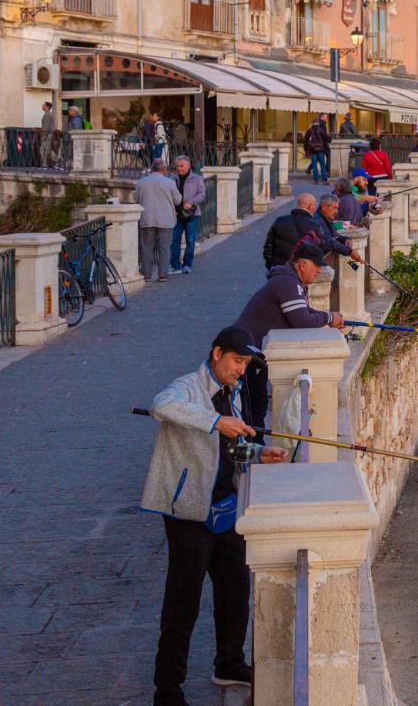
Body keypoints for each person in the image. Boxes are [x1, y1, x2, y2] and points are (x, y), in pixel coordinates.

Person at [142, 326, 287, 705]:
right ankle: (167, 689)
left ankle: (229, 663)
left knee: (235, 591)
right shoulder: (187, 386)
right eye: (237, 361)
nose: (241, 370)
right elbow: (162, 405)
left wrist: (259, 454)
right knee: (183, 602)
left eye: (246, 364)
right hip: (189, 513)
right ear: (217, 353)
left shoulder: (234, 394)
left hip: (226, 507)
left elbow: (232, 452)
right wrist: (214, 421)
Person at [232, 240, 345, 429]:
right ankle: (253, 448)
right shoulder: (287, 283)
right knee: (254, 407)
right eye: (317, 267)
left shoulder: (291, 281)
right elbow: (301, 320)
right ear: (303, 265)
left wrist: (330, 317)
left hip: (254, 351)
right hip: (247, 354)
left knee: (257, 404)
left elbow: (306, 312)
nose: (318, 272)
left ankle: (255, 445)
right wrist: (328, 318)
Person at [262, 193, 358, 273]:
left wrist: (271, 266)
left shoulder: (279, 220)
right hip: (299, 271)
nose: (337, 211)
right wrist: (349, 251)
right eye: (334, 208)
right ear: (312, 207)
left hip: (278, 270)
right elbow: (327, 242)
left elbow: (268, 248)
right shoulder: (314, 224)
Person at [136, 158, 181, 283]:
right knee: (164, 248)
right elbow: (178, 200)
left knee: (146, 248)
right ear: (164, 169)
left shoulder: (141, 182)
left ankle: (147, 275)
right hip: (165, 220)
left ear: (152, 168)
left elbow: (136, 199)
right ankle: (163, 274)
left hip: (147, 218)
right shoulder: (169, 182)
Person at [169, 156, 206, 275]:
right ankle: (175, 265)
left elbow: (202, 194)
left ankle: (187, 265)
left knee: (190, 240)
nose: (179, 168)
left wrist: (191, 202)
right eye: (177, 166)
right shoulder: (172, 178)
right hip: (176, 214)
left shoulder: (197, 178)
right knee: (174, 241)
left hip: (191, 214)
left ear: (188, 165)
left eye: (182, 166)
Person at [303, 117, 331, 183]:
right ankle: (324, 179)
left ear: (312, 123)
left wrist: (306, 150)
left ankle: (316, 180)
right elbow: (328, 139)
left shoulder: (309, 131)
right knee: (322, 164)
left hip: (313, 150)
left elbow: (305, 141)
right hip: (321, 150)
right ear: (318, 123)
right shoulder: (321, 130)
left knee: (314, 165)